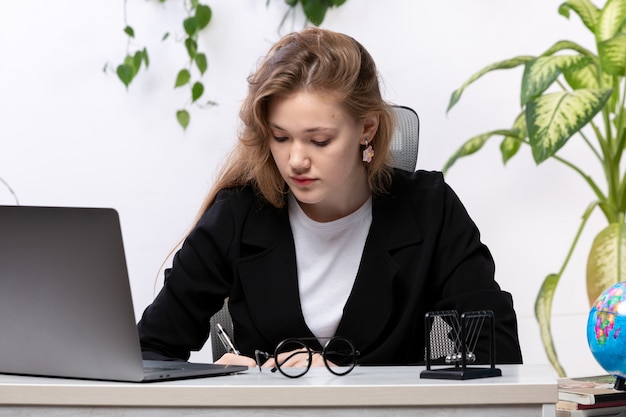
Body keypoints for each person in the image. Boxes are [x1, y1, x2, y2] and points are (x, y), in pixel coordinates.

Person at [137, 27, 523, 369]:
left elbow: (498, 355)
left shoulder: (430, 208)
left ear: (366, 128)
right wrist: (231, 381)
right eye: (281, 137)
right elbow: (150, 350)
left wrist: (340, 378)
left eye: (319, 140)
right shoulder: (238, 213)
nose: (296, 160)